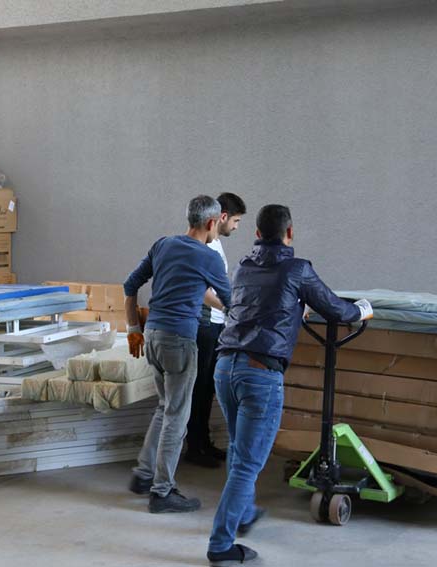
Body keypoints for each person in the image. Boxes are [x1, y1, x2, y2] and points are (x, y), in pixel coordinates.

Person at [206, 205, 372, 566]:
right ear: (290, 233)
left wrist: (295, 308)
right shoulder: (298, 269)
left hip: (225, 367)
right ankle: (220, 546)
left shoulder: (243, 267)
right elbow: (336, 309)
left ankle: (244, 512)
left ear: (257, 234)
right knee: (247, 464)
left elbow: (253, 307)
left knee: (238, 448)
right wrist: (362, 310)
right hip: (259, 373)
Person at [124, 195, 232, 513]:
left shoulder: (163, 245)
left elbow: (130, 285)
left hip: (152, 336)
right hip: (180, 340)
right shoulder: (209, 257)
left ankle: (143, 474)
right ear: (211, 223)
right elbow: (231, 302)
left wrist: (133, 328)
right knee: (177, 417)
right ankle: (162, 492)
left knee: (165, 408)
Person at [185, 192, 247, 468]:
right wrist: (229, 307)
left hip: (217, 324)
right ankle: (194, 447)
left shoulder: (216, 244)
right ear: (221, 217)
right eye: (236, 221)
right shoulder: (205, 247)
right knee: (199, 387)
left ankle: (204, 442)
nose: (236, 226)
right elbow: (200, 291)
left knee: (209, 386)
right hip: (205, 324)